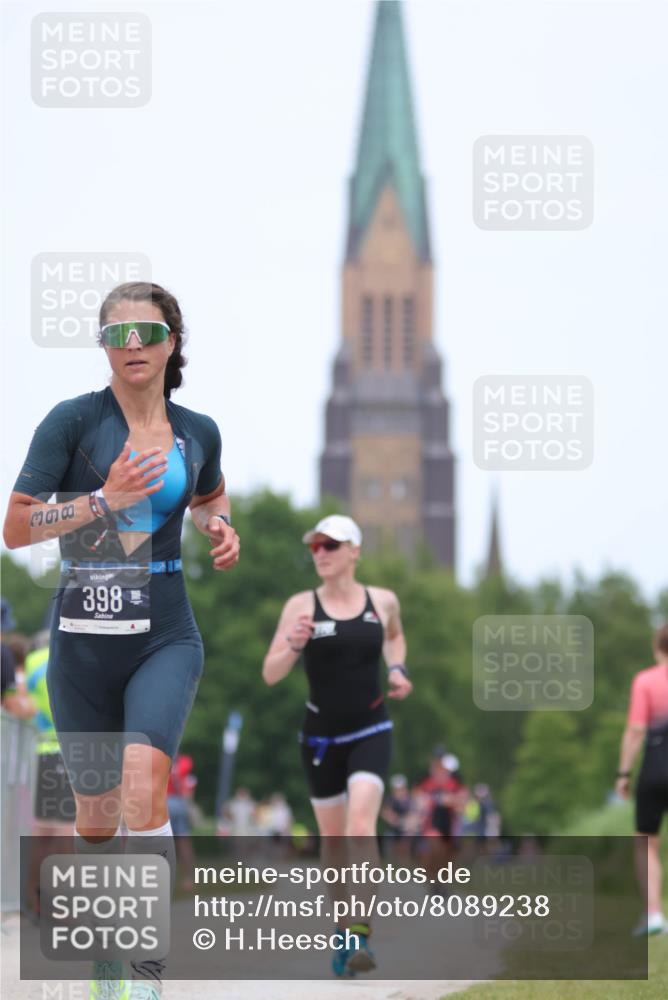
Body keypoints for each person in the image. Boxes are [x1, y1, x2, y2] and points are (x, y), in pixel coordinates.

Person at [3, 281, 240, 1000]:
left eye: (145, 333)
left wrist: (219, 527)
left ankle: (145, 965)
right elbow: (15, 528)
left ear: (172, 342)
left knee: (145, 789)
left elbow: (209, 493)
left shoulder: (198, 430)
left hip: (163, 633)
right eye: (116, 335)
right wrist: (103, 500)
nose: (131, 346)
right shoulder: (73, 423)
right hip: (81, 639)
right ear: (103, 347)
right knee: (97, 813)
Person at [262, 514, 412, 977]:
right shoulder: (301, 606)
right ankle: (341, 930)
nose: (321, 554)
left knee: (360, 827)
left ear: (354, 551)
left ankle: (360, 934)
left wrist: (397, 670)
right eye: (315, 547)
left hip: (370, 729)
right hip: (320, 738)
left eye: (331, 545)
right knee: (333, 840)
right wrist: (292, 644)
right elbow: (270, 673)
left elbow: (395, 637)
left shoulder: (382, 600)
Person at [616, 624, 668, 936]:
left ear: (656, 647)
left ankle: (653, 914)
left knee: (646, 844)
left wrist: (623, 773)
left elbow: (636, 730)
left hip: (656, 766)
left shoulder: (646, 681)